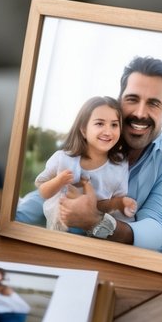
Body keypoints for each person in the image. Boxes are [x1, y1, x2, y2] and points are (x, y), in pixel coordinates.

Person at [16, 56, 162, 252]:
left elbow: (157, 231)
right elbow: (48, 194)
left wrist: (96, 222)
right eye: (132, 99)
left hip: (118, 261)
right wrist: (12, 221)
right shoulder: (93, 143)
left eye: (153, 103)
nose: (141, 113)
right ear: (119, 104)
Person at [33, 95, 136, 232]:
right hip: (59, 230)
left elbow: (102, 205)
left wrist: (120, 204)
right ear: (83, 130)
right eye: (99, 123)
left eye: (114, 125)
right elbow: (43, 191)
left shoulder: (118, 166)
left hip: (91, 231)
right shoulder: (63, 158)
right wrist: (59, 181)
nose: (108, 131)